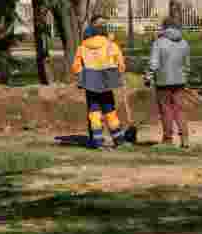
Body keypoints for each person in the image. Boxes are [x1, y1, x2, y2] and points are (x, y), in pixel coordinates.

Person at [71, 15, 131, 149]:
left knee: (94, 112)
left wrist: (83, 74)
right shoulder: (111, 45)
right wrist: (118, 73)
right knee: (110, 111)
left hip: (90, 83)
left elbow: (75, 67)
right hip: (107, 82)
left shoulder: (82, 47)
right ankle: (118, 140)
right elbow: (121, 64)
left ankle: (97, 141)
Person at [145, 16, 192, 147]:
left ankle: (167, 139)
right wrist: (184, 77)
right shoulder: (184, 43)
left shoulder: (159, 42)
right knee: (180, 109)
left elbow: (154, 63)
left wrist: (148, 77)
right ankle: (185, 139)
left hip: (163, 81)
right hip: (180, 82)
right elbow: (187, 65)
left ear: (164, 27)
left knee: (166, 110)